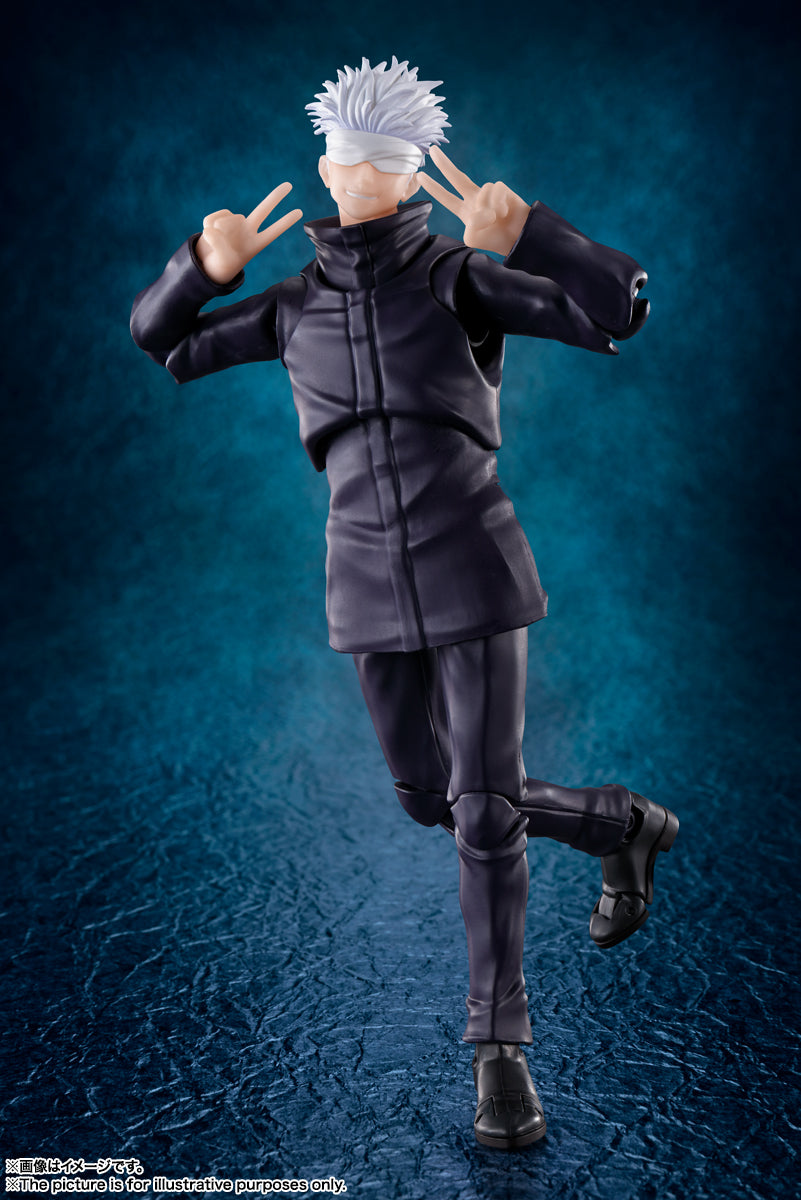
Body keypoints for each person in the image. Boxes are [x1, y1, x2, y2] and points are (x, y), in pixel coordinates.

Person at [131, 56, 678, 1151]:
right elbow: (165, 343)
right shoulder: (293, 305)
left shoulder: (457, 279)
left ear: (407, 176)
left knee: (484, 816)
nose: (350, 177)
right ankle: (621, 825)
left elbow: (614, 310)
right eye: (339, 157)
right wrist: (200, 264)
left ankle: (499, 1051)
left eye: (372, 161)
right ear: (326, 168)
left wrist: (534, 237)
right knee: (433, 799)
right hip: (366, 580)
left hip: (474, 563)